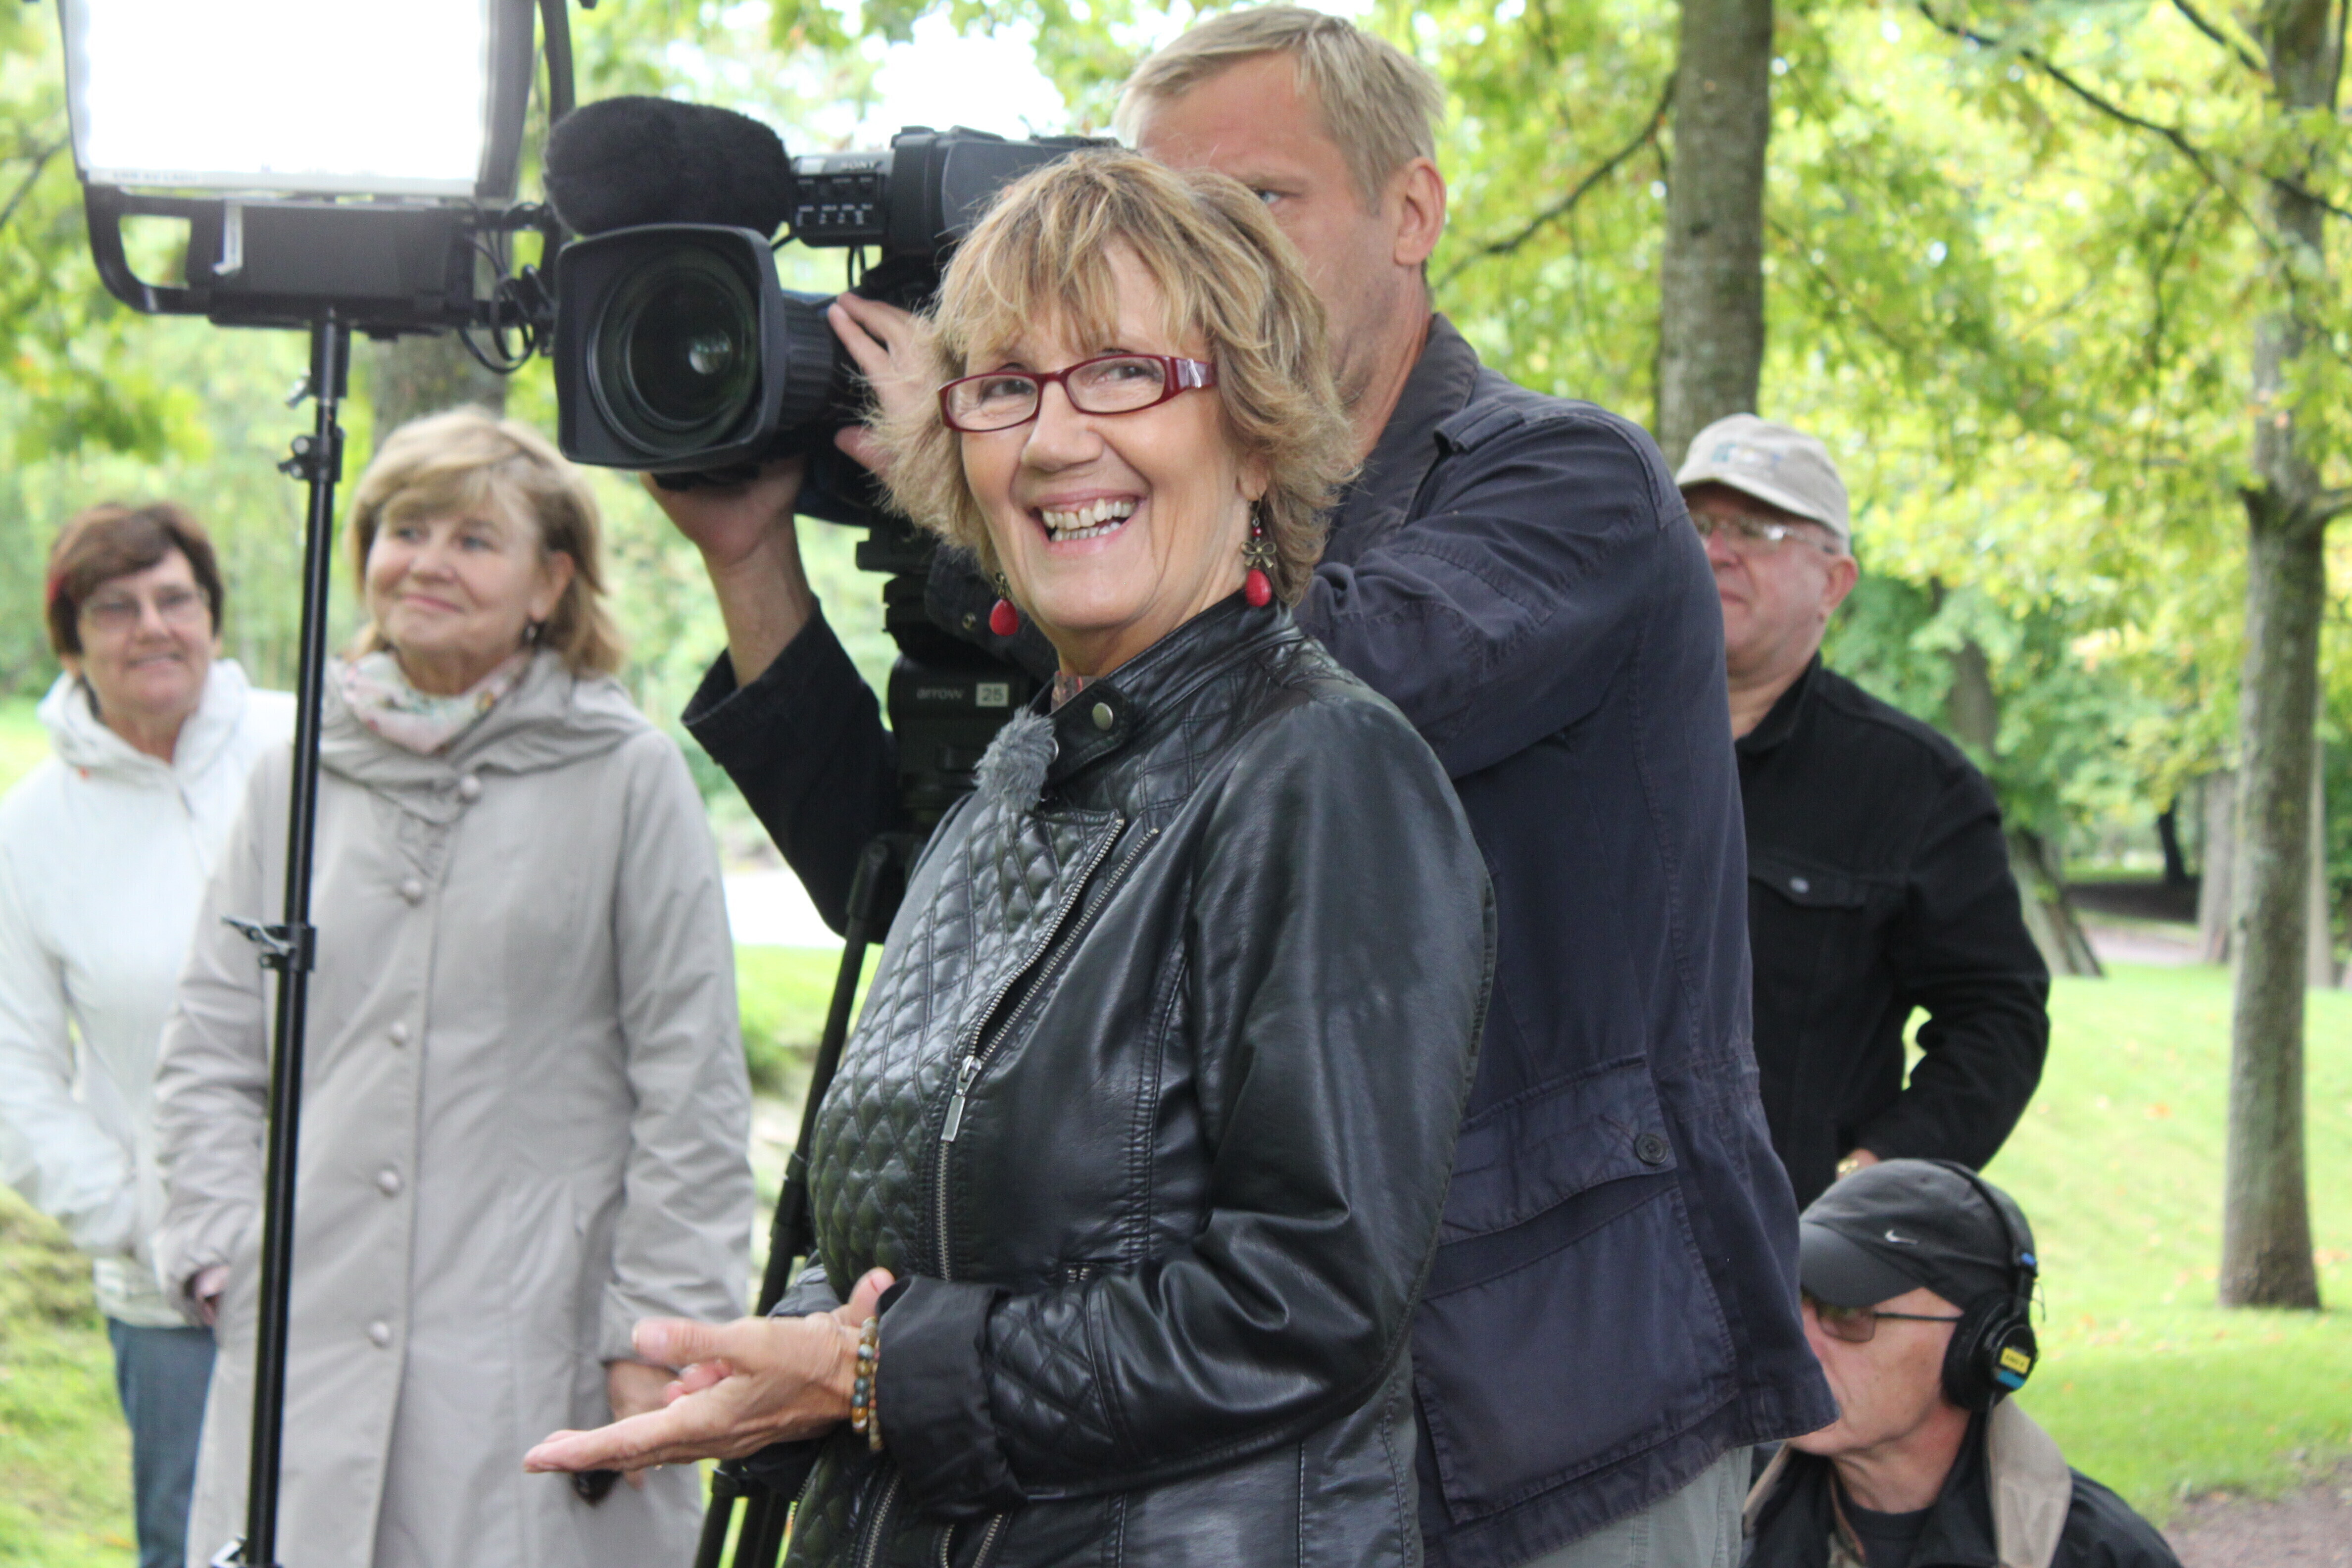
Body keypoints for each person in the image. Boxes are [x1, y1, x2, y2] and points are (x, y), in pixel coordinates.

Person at [661, 13, 1832, 1566]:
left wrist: (1019, 479)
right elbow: (917, 887)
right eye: (1163, 206)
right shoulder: (1097, 613)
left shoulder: (1567, 487)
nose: (1203, 245)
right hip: (1192, 1443)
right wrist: (756, 557)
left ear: (1412, 212)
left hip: (1553, 1394)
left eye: (1255, 200)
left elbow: (1280, 679)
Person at [525, 150, 1494, 1567]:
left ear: (1256, 433)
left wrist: (872, 1373)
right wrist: (789, 1359)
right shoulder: (1012, 776)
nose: (1051, 441)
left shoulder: (1322, 773)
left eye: (1123, 374)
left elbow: (1304, 1304)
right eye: (1001, 388)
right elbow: (917, 1235)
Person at [151, 409, 752, 1568]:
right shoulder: (295, 774)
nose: (427, 562)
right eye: (406, 530)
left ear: (552, 581)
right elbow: (212, 1044)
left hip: (538, 1350)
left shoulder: (627, 777)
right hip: (308, 1344)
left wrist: (652, 1327)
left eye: (474, 539)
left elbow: (693, 1085)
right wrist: (227, 1252)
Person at [0, 504, 293, 1568]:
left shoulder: (304, 747)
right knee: (202, 1546)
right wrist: (144, 1223)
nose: (153, 626)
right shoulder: (30, 831)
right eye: (116, 608)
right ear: (71, 640)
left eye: (176, 599)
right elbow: (14, 1077)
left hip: (372, 1252)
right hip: (177, 1300)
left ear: (213, 615)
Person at [1678, 414, 2051, 1209]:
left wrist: (1868, 1182)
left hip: (1779, 1252)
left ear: (1835, 583)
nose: (1718, 550)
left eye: (1758, 529)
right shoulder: (1576, 742)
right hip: (1558, 1251)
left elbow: (1998, 1019)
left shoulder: (1917, 788)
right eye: (1698, 524)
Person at [1744, 1160, 2182, 1568]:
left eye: (1846, 1312)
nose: (1795, 1342)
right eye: (1791, 1300)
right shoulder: (1724, 1513)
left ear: (1977, 1347)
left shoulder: (2104, 1555)